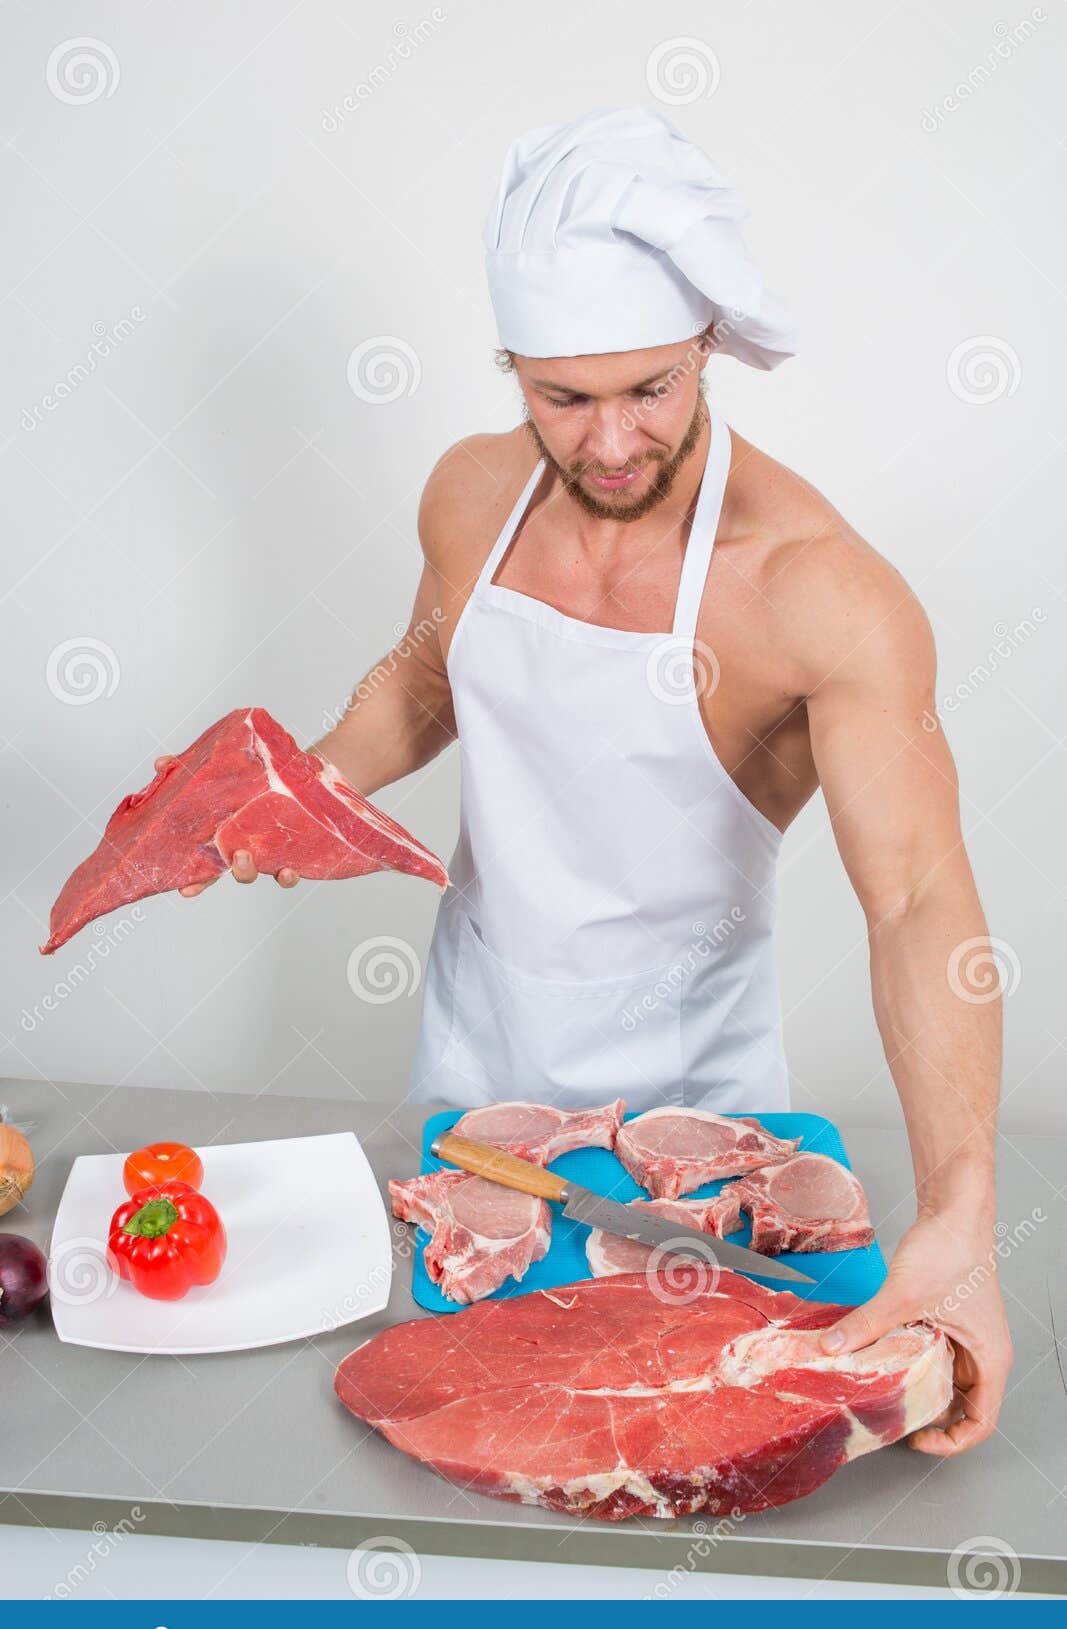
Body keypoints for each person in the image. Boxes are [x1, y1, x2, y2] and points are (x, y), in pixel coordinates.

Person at [168, 109, 1010, 1454]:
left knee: (669, 1447)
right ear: (513, 368)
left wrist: (962, 1206)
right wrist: (318, 782)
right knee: (439, 1439)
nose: (610, 440)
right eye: (564, 397)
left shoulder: (819, 591)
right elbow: (430, 676)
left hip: (701, 1126)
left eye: (652, 390)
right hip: (473, 1075)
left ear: (706, 352)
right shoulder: (468, 494)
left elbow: (916, 900)